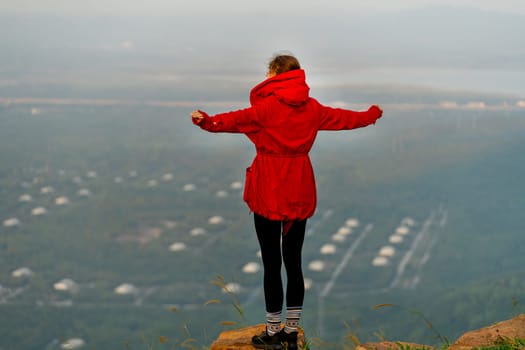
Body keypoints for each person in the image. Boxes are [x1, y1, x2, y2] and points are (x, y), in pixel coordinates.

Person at [191, 54, 383, 349]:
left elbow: (233, 120)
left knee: (271, 263)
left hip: (269, 186)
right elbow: (347, 119)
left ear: (275, 74)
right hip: (300, 184)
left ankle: (272, 333)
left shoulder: (266, 108)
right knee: (294, 262)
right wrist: (370, 114)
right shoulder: (313, 108)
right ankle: (291, 332)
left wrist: (206, 121)